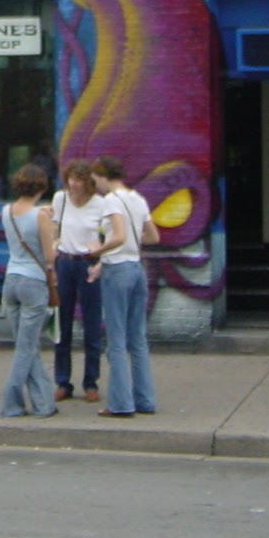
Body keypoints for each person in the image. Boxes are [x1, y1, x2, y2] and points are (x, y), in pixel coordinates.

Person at [89, 155, 158, 417]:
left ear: (103, 175)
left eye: (95, 178)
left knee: (116, 341)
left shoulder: (110, 201)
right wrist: (131, 239)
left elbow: (116, 236)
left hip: (117, 269)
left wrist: (97, 251)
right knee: (137, 339)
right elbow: (153, 236)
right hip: (136, 268)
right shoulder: (137, 198)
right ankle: (146, 400)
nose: (95, 184)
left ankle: (120, 403)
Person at [0, 163, 58, 418]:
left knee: (27, 346)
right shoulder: (41, 217)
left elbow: (24, 228)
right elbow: (50, 256)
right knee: (26, 348)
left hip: (11, 280)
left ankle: (44, 403)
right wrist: (56, 231)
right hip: (33, 283)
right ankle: (10, 404)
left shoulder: (6, 211)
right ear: (41, 187)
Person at [49, 160, 107, 403]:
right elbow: (54, 229)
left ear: (88, 182)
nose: (74, 184)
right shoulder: (60, 199)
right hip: (65, 261)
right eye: (71, 179)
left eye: (79, 180)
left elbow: (110, 236)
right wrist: (53, 254)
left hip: (88, 263)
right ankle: (63, 381)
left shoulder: (100, 205)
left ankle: (90, 382)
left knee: (92, 324)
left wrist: (101, 261)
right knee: (61, 324)